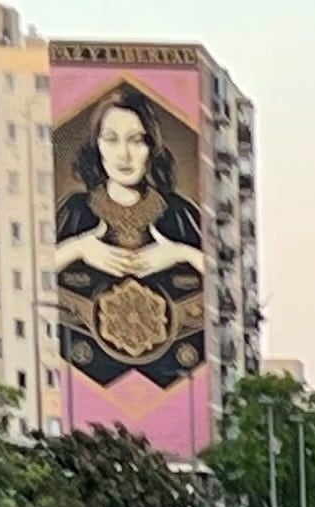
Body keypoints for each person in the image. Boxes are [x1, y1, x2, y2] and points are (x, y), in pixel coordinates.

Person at [55, 88, 210, 392]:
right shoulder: (76, 211)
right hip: (88, 370)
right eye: (111, 139)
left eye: (136, 140)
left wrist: (180, 253)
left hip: (171, 374)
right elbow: (28, 278)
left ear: (152, 148)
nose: (123, 155)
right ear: (96, 145)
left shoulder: (177, 212)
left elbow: (226, 285)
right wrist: (79, 248)